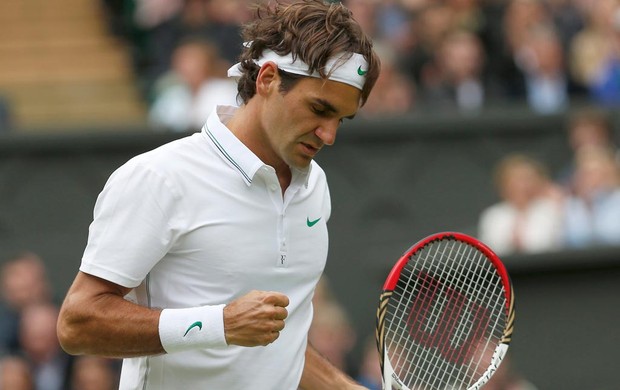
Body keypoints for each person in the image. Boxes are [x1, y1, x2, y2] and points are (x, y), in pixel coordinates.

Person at [56, 1, 380, 389]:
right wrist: (220, 324)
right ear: (268, 80)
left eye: (340, 119)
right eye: (318, 108)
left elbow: (278, 344)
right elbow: (77, 324)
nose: (329, 135)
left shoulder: (315, 188)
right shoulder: (160, 178)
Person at [478, 153, 564, 256]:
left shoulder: (550, 210)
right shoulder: (492, 215)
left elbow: (549, 246)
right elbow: (489, 251)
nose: (521, 186)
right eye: (515, 180)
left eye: (526, 179)